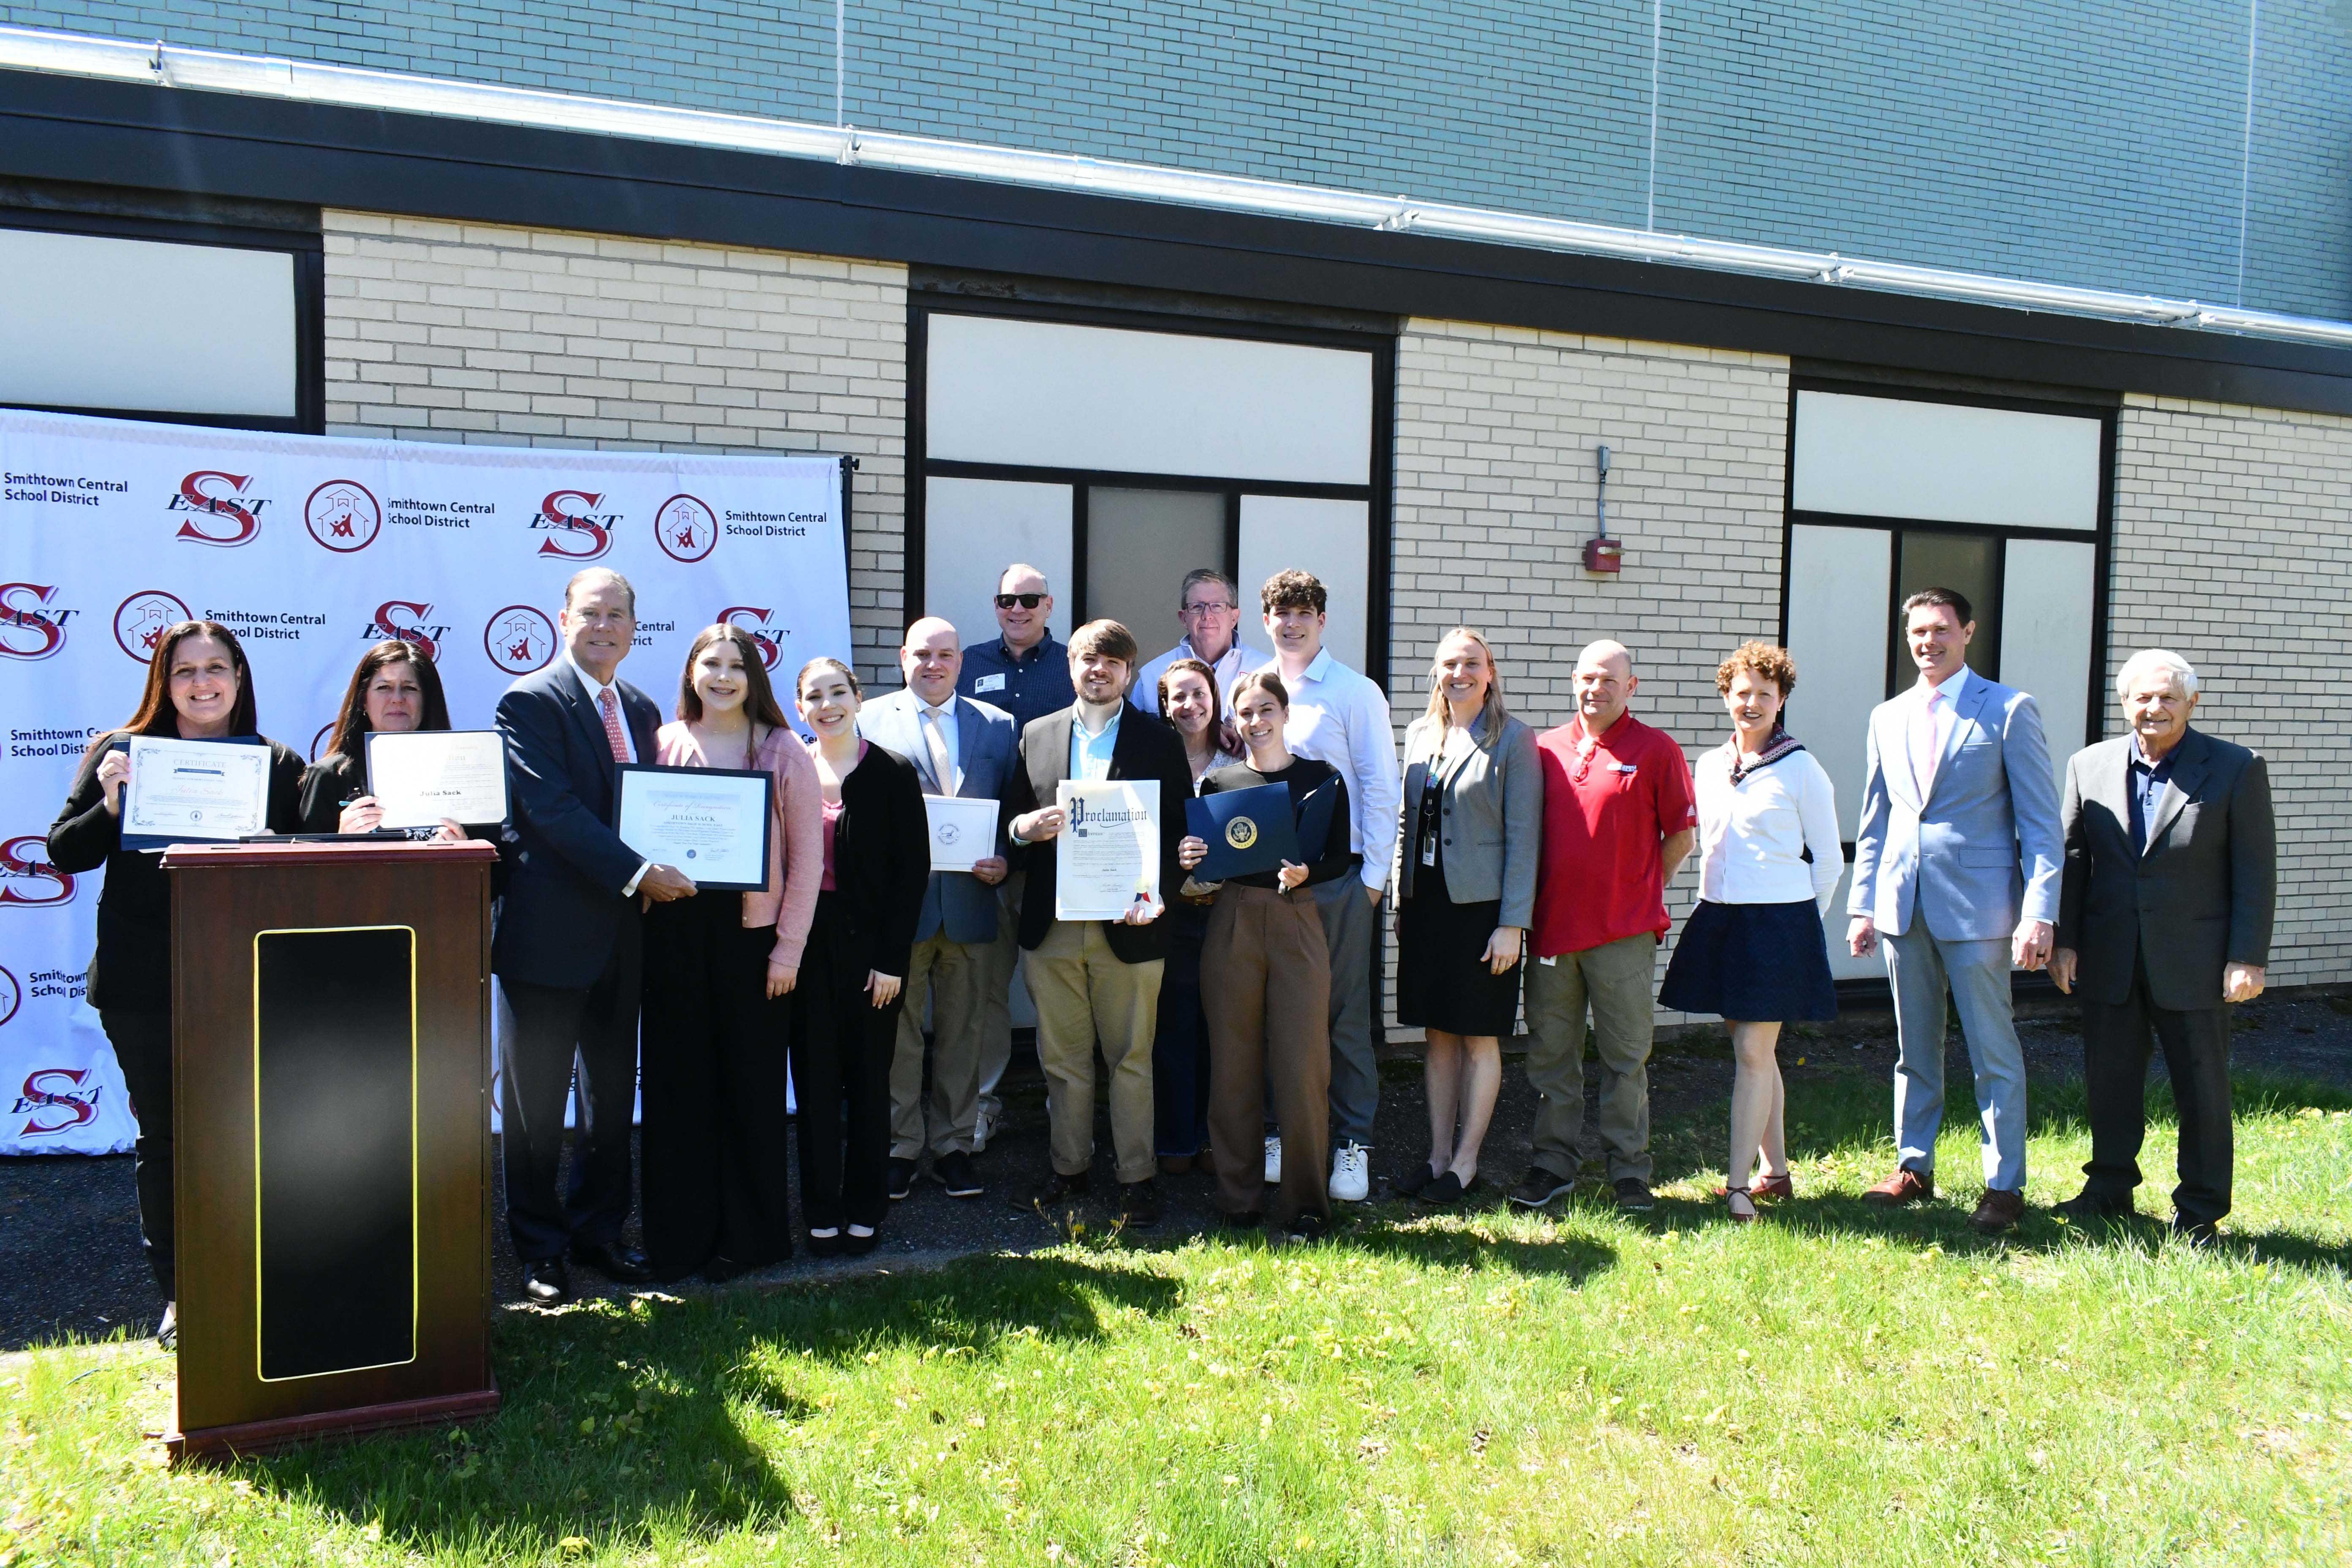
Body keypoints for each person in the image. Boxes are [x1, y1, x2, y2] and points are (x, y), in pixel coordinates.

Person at [46, 620, 306, 1348]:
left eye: (215, 668)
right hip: (144, 986)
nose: (201, 683)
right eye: (185, 670)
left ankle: (256, 1276)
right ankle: (181, 1294)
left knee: (248, 1136)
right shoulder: (121, 752)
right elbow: (64, 851)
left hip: (247, 980)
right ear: (164, 681)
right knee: (167, 1138)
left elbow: (318, 859)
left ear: (239, 677)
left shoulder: (276, 763)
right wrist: (109, 805)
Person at [493, 567, 694, 1305]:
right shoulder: (530, 700)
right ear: (562, 619)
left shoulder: (640, 708)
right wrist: (642, 872)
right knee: (535, 1107)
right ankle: (540, 1249)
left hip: (624, 938)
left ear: (634, 627)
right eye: (590, 612)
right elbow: (553, 811)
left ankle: (599, 1232)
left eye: (617, 614)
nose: (603, 625)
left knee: (610, 1101)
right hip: (547, 942)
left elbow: (664, 806)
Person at [1848, 587, 2063, 1235]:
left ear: (1967, 632)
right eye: (1918, 631)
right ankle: (1914, 1166)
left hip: (1981, 910)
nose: (1928, 642)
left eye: (1941, 629)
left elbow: (2041, 824)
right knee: (1915, 1048)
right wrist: (1863, 905)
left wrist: (2040, 911)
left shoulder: (2007, 709)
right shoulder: (1887, 715)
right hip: (1902, 905)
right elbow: (1876, 817)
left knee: (1993, 1051)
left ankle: (2004, 1185)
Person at [2050, 651, 2274, 1246]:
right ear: (2124, 704)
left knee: (2202, 1089)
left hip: (2197, 961)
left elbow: (2255, 871)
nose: (2154, 708)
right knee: (2111, 1080)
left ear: (2191, 703)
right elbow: (2073, 861)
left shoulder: (2234, 767)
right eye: (2142, 698)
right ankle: (2109, 1187)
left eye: (2168, 698)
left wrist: (2247, 957)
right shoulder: (2088, 765)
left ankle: (2200, 1208)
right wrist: (2065, 941)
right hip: (2110, 955)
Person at [640, 625, 823, 1282]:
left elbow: (807, 861)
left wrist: (788, 952)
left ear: (755, 678)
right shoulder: (660, 744)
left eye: (736, 666)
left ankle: (750, 1240)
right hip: (672, 937)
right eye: (710, 664)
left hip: (754, 945)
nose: (722, 677)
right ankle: (677, 1240)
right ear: (691, 672)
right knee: (676, 1092)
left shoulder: (783, 751)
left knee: (749, 1091)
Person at [1001, 618, 1191, 1226]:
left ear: (1129, 673)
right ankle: (1069, 1169)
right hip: (1052, 924)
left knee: (1131, 1057)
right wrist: (1023, 830)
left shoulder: (1159, 741)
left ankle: (1136, 1178)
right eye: (1088, 659)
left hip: (1129, 921)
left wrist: (1159, 894)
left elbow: (1179, 834)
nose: (1099, 670)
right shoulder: (1037, 735)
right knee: (1062, 1059)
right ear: (1072, 667)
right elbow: (1011, 821)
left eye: (1112, 662)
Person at [1508, 640, 1696, 1214]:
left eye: (1610, 680)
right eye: (1588, 678)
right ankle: (1553, 1165)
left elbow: (1681, 836)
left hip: (1623, 936)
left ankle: (1630, 1174)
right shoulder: (1542, 750)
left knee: (1625, 1058)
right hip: (1551, 933)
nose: (1597, 689)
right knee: (1551, 1057)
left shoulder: (1657, 750)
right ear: (1573, 681)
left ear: (1631, 688)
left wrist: (1639, 892)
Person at [1659, 642, 1843, 1222]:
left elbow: (1829, 862)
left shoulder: (1802, 768)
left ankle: (1739, 1188)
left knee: (1751, 1052)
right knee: (1757, 1053)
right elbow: (1703, 844)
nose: (1753, 703)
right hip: (1720, 917)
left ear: (1781, 699)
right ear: (1726, 698)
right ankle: (1777, 1173)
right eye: (1742, 693)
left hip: (1779, 923)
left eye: (1765, 694)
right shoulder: (1711, 765)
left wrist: (1798, 925)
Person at [1179, 669, 1353, 1239]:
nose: (1256, 722)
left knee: (1304, 1065)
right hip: (1232, 917)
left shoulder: (1322, 778)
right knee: (1233, 1064)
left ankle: (1306, 1202)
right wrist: (1189, 855)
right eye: (1246, 712)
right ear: (1235, 719)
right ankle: (1239, 1199)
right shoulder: (1219, 782)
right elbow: (1201, 866)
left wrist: (1311, 872)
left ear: (1285, 713)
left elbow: (1339, 858)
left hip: (1298, 920)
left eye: (1266, 710)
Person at [858, 617, 1015, 1202]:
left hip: (972, 905)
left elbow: (1014, 811)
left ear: (960, 661)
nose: (934, 664)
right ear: (903, 657)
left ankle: (953, 1146)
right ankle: (900, 1146)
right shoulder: (869, 720)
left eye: (945, 654)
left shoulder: (998, 726)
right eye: (922, 654)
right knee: (898, 1033)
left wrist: (1004, 857)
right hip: (901, 909)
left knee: (964, 1033)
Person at [1261, 569, 1401, 1203]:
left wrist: (1373, 881)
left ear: (1322, 620)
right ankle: (1284, 1133)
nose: (1291, 624)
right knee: (1277, 1016)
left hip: (1339, 885)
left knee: (1342, 1017)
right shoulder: (1255, 685)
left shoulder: (1354, 691)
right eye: (1280, 614)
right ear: (1265, 621)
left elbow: (1380, 787)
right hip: (1266, 888)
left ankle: (1352, 1144)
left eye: (1304, 614)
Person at [1391, 629, 1539, 1204]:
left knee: (1479, 1036)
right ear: (1437, 672)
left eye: (1471, 663)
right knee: (1438, 1036)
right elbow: (1409, 823)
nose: (1460, 672)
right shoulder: (1421, 733)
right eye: (1450, 663)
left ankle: (1467, 1161)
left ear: (1490, 672)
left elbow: (1525, 838)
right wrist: (1404, 899)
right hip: (1427, 907)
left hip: (1483, 914)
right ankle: (1435, 1157)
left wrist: (1514, 923)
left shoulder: (1514, 740)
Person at [793, 657, 931, 1255]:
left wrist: (892, 962)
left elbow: (912, 877)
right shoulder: (787, 769)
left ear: (858, 697)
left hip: (873, 954)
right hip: (801, 950)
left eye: (837, 692)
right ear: (799, 708)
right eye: (814, 697)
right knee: (816, 1086)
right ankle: (821, 1211)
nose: (828, 705)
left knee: (869, 1085)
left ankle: (865, 1210)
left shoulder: (894, 773)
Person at [958, 563, 1078, 1154]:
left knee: (1062, 989)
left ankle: (1069, 1108)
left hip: (1061, 862)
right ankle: (981, 1104)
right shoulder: (969, 665)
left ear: (1049, 605)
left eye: (1030, 599)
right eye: (1008, 599)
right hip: (987, 862)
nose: (1018, 609)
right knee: (986, 990)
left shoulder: (1072, 667)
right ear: (996, 603)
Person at [1152, 657, 1244, 1175]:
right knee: (1174, 1028)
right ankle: (1175, 1142)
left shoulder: (1238, 760)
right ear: (1165, 705)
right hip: (1172, 914)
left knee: (1223, 1028)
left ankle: (1216, 1139)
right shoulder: (1153, 757)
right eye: (1178, 697)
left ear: (1216, 699)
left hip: (1228, 912)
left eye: (1199, 693)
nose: (1190, 705)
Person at [299, 641, 466, 841]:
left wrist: (469, 850)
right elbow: (303, 868)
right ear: (363, 700)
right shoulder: (329, 777)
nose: (397, 698)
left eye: (410, 688)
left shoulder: (463, 774)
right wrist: (342, 840)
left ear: (428, 700)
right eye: (384, 687)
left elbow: (497, 860)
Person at [1135, 568, 1267, 723]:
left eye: (1217, 606)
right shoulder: (1152, 676)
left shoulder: (1264, 671)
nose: (1207, 615)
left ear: (1234, 618)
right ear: (1184, 618)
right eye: (1197, 607)